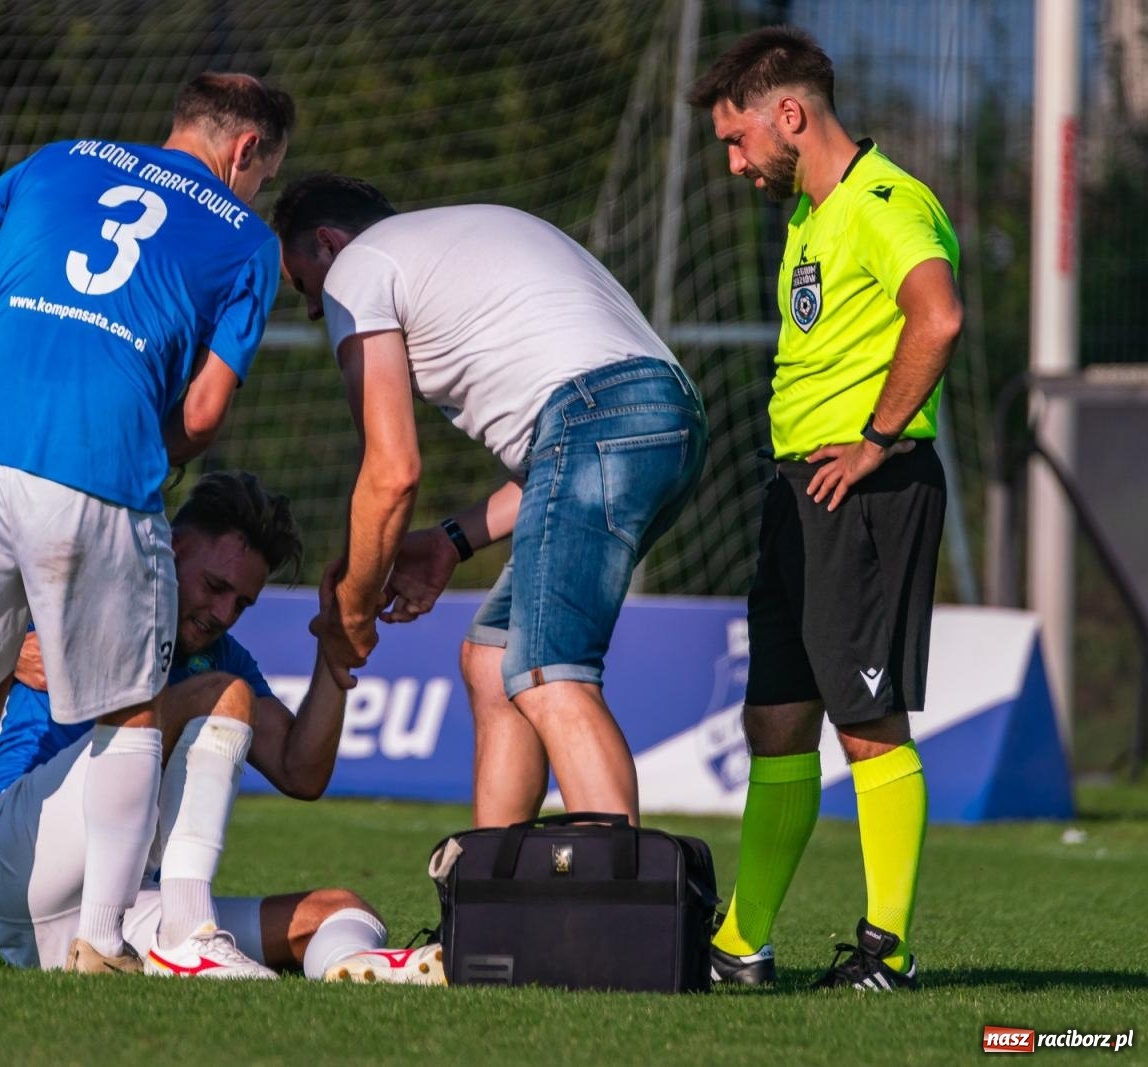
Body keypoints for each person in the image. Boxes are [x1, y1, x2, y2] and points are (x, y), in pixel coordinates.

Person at [0, 72, 294, 973]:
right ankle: (99, 941)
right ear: (247, 153)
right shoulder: (248, 238)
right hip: (101, 461)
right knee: (130, 712)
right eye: (266, 173)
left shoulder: (52, 161)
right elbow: (203, 411)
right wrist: (137, 451)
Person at [0, 470, 441, 981]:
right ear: (170, 547)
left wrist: (334, 653)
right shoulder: (92, 596)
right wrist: (13, 649)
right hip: (21, 867)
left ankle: (362, 970)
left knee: (343, 911)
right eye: (215, 587)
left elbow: (301, 770)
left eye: (241, 603)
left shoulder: (224, 655)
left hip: (118, 909)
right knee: (221, 695)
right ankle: (189, 936)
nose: (222, 614)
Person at [270, 176, 708, 830]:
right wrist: (451, 540)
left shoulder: (356, 271)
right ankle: (487, 901)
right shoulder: (448, 239)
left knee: (549, 672)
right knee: (493, 658)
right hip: (665, 422)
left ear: (329, 245)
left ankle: (623, 917)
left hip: (597, 421)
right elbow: (563, 463)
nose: (313, 309)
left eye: (303, 286)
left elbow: (392, 472)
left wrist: (353, 611)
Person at [687, 26, 962, 991]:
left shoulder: (887, 205)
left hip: (868, 488)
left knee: (867, 724)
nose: (734, 162)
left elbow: (940, 313)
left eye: (736, 138)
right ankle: (740, 946)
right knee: (777, 719)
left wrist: (879, 438)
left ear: (789, 116)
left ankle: (888, 952)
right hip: (799, 489)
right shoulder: (811, 214)